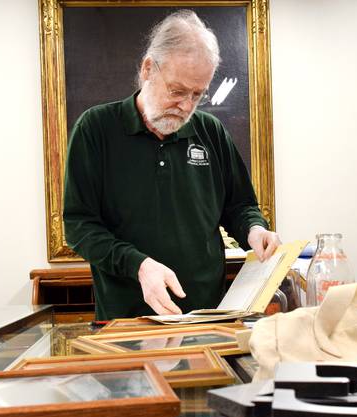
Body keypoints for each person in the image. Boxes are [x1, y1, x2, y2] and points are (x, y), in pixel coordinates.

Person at [63, 10, 280, 320]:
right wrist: (139, 265)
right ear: (148, 69)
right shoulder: (96, 129)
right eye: (177, 91)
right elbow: (79, 225)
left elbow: (239, 205)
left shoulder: (211, 132)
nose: (187, 106)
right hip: (126, 319)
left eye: (197, 94)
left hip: (208, 316)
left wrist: (254, 229)